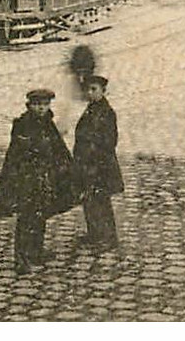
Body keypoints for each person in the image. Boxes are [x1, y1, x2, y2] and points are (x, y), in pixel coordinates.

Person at [0, 89, 78, 275]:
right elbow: (22, 152)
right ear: (29, 106)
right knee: (26, 219)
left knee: (40, 216)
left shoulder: (47, 123)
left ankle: (36, 251)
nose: (41, 108)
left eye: (45, 104)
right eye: (38, 105)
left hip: (44, 179)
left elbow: (58, 148)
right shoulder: (23, 125)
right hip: (27, 180)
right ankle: (22, 259)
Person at [73, 75, 122, 253]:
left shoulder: (107, 112)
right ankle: (94, 234)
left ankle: (108, 238)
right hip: (87, 164)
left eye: (94, 89)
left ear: (103, 91)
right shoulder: (91, 108)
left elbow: (110, 141)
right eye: (87, 89)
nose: (90, 93)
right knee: (89, 200)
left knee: (101, 201)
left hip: (100, 166)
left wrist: (94, 157)